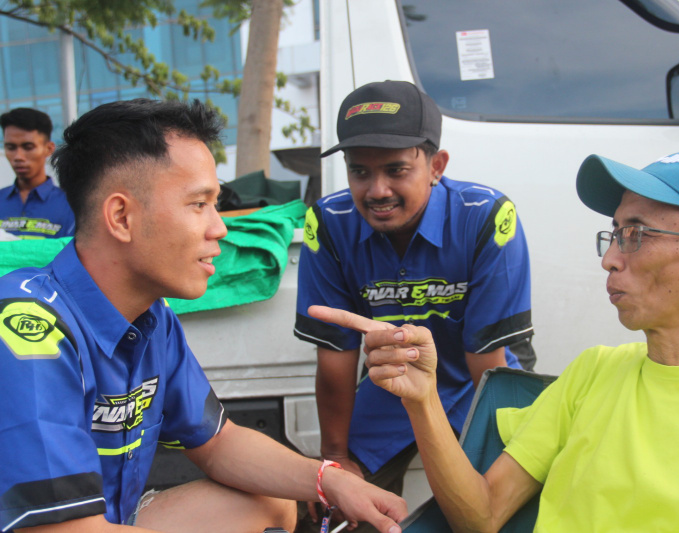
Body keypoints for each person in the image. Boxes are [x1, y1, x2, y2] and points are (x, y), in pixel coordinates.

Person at [309, 151, 679, 532]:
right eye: (613, 235)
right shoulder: (593, 373)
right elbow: (480, 517)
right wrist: (422, 398)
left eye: (637, 235)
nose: (610, 260)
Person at [0, 99, 407, 533]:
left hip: (108, 521)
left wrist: (329, 480)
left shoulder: (152, 316)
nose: (220, 228)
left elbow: (218, 441)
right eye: (199, 204)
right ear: (121, 216)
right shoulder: (30, 330)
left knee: (272, 500)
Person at [294, 80, 534, 531]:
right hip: (392, 383)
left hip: (481, 380)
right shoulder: (328, 223)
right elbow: (335, 360)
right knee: (336, 506)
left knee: (500, 509)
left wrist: (497, 470)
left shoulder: (486, 217)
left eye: (396, 169)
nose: (377, 190)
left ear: (436, 165)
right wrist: (336, 458)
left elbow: (488, 364)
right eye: (360, 172)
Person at [0, 107, 75, 239]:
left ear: (49, 148)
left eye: (28, 147)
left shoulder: (71, 204)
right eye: (10, 147)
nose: (18, 156)